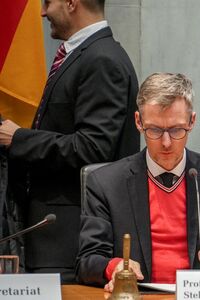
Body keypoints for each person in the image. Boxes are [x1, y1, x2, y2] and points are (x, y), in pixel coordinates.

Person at [0, 0, 139, 281]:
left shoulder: (102, 59)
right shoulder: (83, 55)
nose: (41, 12)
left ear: (72, 3)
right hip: (51, 236)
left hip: (69, 240)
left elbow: (93, 148)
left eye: (48, 2)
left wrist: (19, 139)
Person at [75, 73, 200, 291]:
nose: (166, 142)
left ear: (192, 121)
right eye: (155, 130)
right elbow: (87, 261)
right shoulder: (105, 183)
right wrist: (115, 267)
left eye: (177, 129)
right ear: (139, 122)